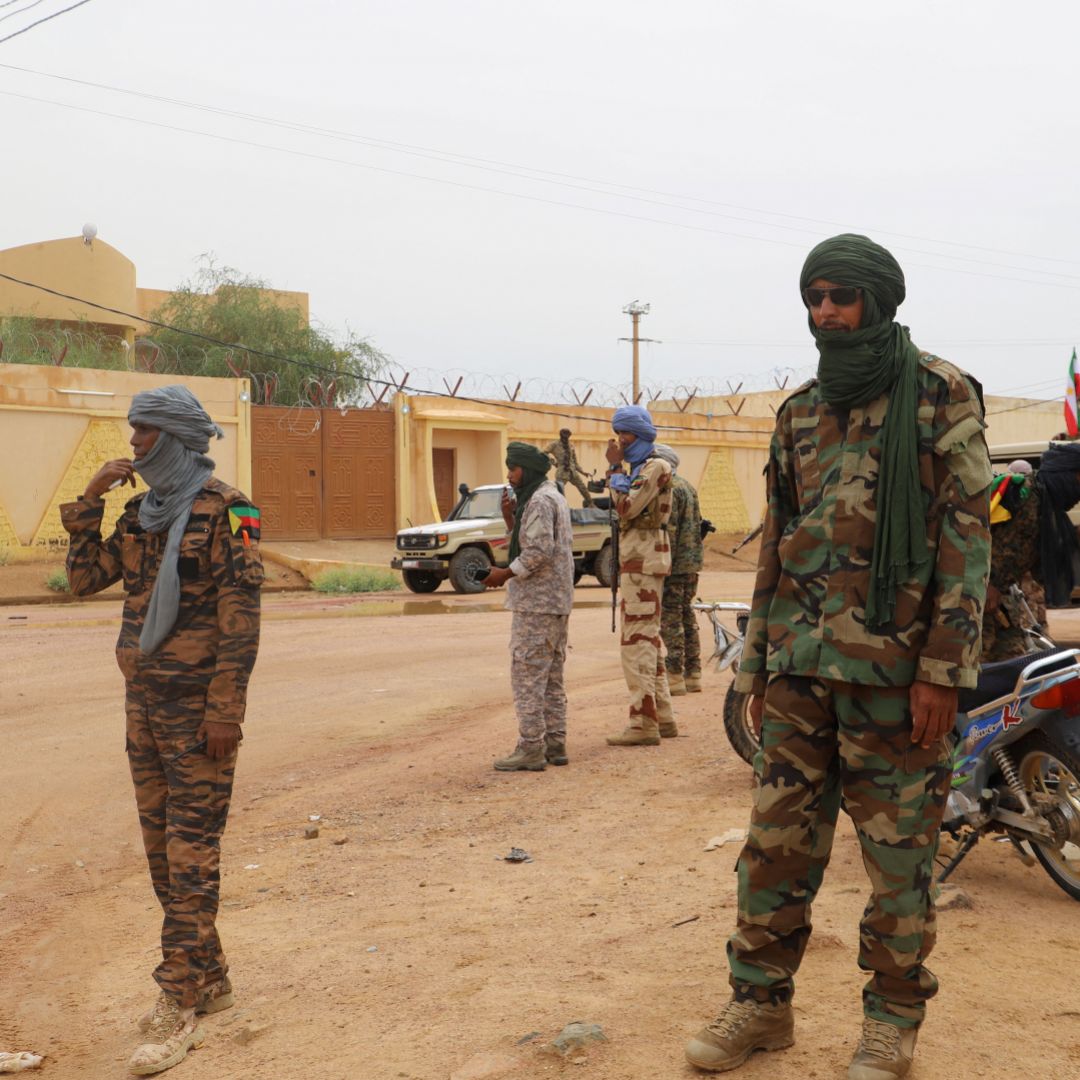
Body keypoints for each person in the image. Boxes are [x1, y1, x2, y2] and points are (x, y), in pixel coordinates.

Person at [684, 235, 992, 1080]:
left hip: (897, 680)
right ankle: (760, 1005)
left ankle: (892, 1022)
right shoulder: (798, 411)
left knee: (898, 863)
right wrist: (754, 664)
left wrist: (942, 670)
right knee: (774, 850)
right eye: (814, 296)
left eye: (841, 296)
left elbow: (966, 542)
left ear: (878, 300)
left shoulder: (939, 392)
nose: (825, 311)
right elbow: (777, 545)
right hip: (798, 673)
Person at [60, 385, 263, 1076]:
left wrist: (226, 712)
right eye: (132, 431)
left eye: (144, 432)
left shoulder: (232, 511)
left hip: (200, 714)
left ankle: (178, 1002)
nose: (133, 443)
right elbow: (83, 578)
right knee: (160, 857)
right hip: (144, 707)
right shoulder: (142, 514)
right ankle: (213, 982)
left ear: (175, 437)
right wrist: (90, 497)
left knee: (190, 856)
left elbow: (243, 621)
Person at [484, 441, 574, 770]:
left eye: (514, 468)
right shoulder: (552, 495)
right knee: (550, 676)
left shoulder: (538, 500)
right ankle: (555, 743)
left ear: (529, 470)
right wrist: (510, 520)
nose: (509, 475)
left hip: (537, 603)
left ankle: (531, 746)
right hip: (555, 600)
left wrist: (504, 573)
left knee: (527, 675)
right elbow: (533, 541)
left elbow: (537, 551)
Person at [603, 405, 676, 746]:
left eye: (626, 434)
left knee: (636, 643)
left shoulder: (655, 466)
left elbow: (625, 508)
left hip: (643, 560)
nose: (621, 439)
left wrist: (614, 468)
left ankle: (642, 723)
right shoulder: (640, 469)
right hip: (640, 559)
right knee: (647, 639)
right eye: (619, 434)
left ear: (642, 435)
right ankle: (661, 716)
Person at [983, 444, 1080, 660]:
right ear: (1065, 473)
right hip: (978, 595)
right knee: (976, 665)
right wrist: (988, 584)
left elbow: (1038, 564)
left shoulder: (1047, 505)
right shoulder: (1027, 496)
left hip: (1004, 599)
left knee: (1015, 660)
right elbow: (996, 544)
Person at [653, 444, 704, 696]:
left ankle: (674, 675)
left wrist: (662, 564)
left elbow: (669, 531)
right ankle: (693, 673)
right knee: (686, 615)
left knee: (670, 619)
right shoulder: (688, 487)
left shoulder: (670, 488)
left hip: (674, 563)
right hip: (691, 562)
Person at [544, 428, 594, 506]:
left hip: (573, 472)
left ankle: (591, 504)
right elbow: (544, 453)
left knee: (583, 488)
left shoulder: (570, 445)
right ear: (561, 436)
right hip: (562, 472)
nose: (565, 438)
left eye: (567, 436)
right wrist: (553, 462)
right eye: (564, 436)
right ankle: (560, 507)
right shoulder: (554, 444)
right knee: (559, 492)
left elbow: (574, 461)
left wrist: (583, 472)